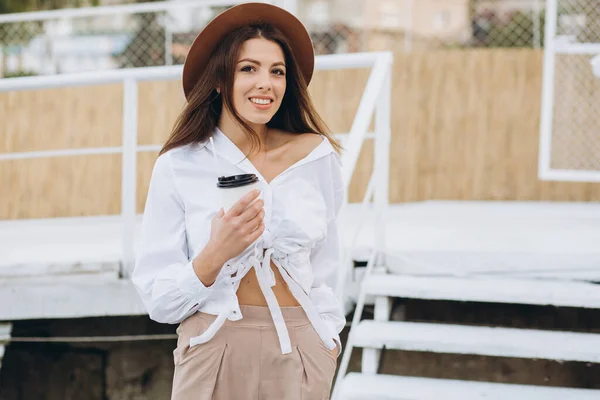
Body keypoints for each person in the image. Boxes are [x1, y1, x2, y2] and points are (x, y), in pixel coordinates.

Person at [132, 3, 346, 399]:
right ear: (219, 79)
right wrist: (214, 254)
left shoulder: (318, 157)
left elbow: (328, 265)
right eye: (249, 68)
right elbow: (158, 299)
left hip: (301, 349)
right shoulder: (180, 164)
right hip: (214, 345)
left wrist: (326, 340)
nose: (265, 83)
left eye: (277, 71)